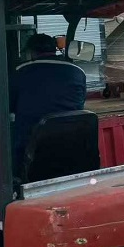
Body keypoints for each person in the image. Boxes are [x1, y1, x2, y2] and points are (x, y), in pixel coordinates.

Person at [10, 33, 86, 169]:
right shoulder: (78, 72)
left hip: (33, 148)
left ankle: (14, 178)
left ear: (31, 52)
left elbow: (9, 106)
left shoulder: (19, 72)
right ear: (54, 49)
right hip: (73, 144)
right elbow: (80, 104)